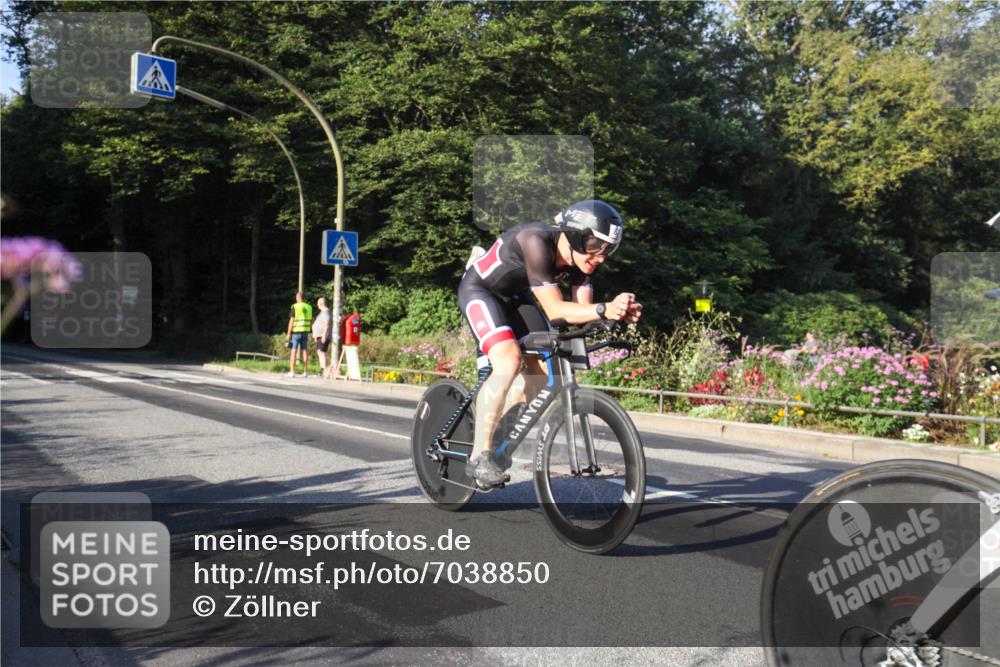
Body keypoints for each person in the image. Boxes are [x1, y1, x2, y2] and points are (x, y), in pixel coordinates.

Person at [457, 199, 642, 489]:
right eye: (596, 245)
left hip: (518, 298)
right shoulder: (535, 240)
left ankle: (496, 436)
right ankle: (478, 457)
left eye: (608, 250)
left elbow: (580, 317)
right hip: (481, 290)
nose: (601, 257)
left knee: (542, 375)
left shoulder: (583, 263)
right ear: (576, 235)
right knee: (508, 359)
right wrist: (604, 309)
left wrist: (616, 316)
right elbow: (556, 310)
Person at [285, 292, 313, 377]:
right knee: (304, 351)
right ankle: (305, 372)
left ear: (298, 297)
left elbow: (291, 321)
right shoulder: (309, 307)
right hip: (305, 332)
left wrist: (288, 334)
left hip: (296, 332)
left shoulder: (295, 307)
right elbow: (311, 321)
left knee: (294, 351)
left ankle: (292, 372)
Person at [312, 297, 333, 377]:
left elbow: (326, 323)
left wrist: (324, 335)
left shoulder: (325, 312)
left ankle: (323, 370)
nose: (317, 305)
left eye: (318, 303)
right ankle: (325, 369)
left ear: (321, 304)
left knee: (322, 352)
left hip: (323, 336)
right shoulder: (323, 312)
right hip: (319, 336)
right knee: (319, 352)